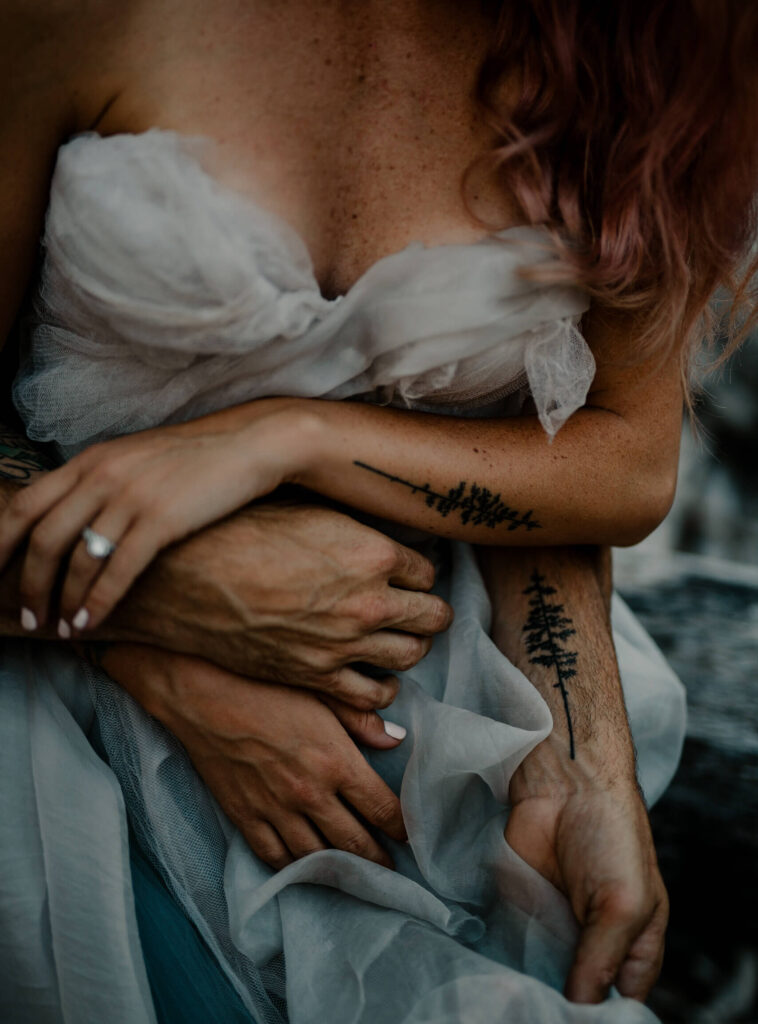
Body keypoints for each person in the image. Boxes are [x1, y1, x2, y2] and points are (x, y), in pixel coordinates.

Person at [0, 2, 756, 1022]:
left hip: (441, 766)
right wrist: (142, 622)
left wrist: (580, 751)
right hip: (49, 722)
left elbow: (610, 455)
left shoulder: (663, 46)